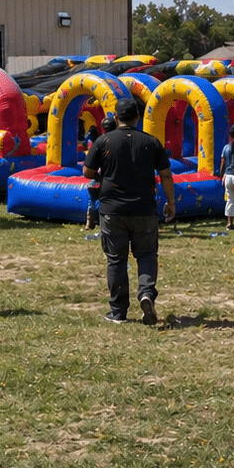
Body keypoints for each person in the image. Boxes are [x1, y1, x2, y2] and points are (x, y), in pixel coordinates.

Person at [84, 99, 175, 324]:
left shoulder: (104, 140)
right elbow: (165, 174)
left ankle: (118, 312)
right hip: (144, 208)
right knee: (146, 254)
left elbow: (87, 171)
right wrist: (171, 202)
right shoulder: (151, 142)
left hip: (112, 210)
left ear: (116, 117)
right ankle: (146, 293)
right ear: (137, 117)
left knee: (116, 260)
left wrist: (103, 177)